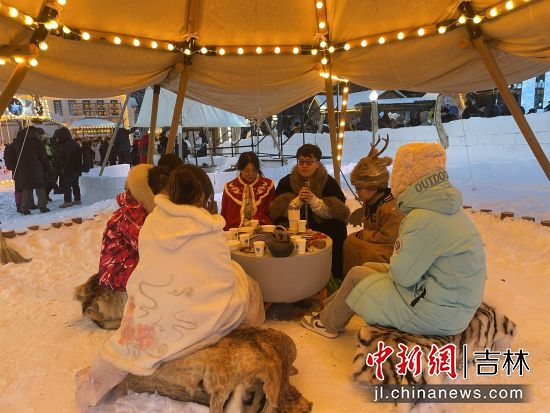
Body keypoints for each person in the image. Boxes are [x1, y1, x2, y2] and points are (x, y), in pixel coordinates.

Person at [75, 164, 265, 407]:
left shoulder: (152, 221)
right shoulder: (208, 228)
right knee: (241, 280)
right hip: (189, 311)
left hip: (151, 305)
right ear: (201, 196)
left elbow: (150, 267)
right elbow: (221, 280)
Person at [301, 142, 486, 339]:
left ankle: (328, 323)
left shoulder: (422, 218)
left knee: (357, 275)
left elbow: (402, 275)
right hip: (450, 300)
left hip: (439, 313)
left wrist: (395, 253)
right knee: (367, 268)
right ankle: (330, 309)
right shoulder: (445, 208)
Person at [75, 164, 172, 329]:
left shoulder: (135, 208)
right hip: (120, 290)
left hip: (118, 280)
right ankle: (109, 311)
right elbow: (153, 247)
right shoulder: (133, 214)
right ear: (150, 192)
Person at [269, 144, 350, 279]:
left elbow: (339, 212)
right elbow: (276, 211)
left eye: (309, 162)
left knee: (337, 228)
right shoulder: (286, 182)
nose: (304, 166)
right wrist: (298, 201)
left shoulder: (329, 183)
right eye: (301, 162)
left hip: (323, 229)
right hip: (293, 229)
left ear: (317, 164)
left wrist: (313, 200)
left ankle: (329, 277)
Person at [342, 140, 402, 275]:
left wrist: (366, 235)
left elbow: (389, 238)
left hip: (391, 249)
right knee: (350, 241)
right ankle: (350, 277)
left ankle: (364, 279)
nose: (357, 192)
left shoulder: (390, 207)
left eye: (359, 188)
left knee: (365, 251)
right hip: (378, 241)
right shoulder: (372, 202)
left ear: (373, 187)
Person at [221, 152, 275, 230]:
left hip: (261, 230)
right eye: (247, 170)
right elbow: (224, 214)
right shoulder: (229, 188)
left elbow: (272, 214)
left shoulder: (268, 186)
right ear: (241, 169)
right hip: (236, 231)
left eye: (254, 170)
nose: (251, 174)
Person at [6, 126, 51, 214]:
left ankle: (24, 208)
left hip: (23, 169)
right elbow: (42, 156)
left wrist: (14, 167)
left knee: (27, 188)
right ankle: (43, 206)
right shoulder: (36, 142)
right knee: (40, 187)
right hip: (36, 168)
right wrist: (47, 167)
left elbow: (11, 155)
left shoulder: (18, 142)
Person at [54, 127, 82, 208]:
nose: (57, 139)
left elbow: (66, 158)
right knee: (75, 184)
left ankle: (68, 201)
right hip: (76, 168)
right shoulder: (74, 143)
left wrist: (62, 167)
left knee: (67, 185)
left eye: (58, 136)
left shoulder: (66, 145)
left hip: (68, 168)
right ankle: (77, 199)